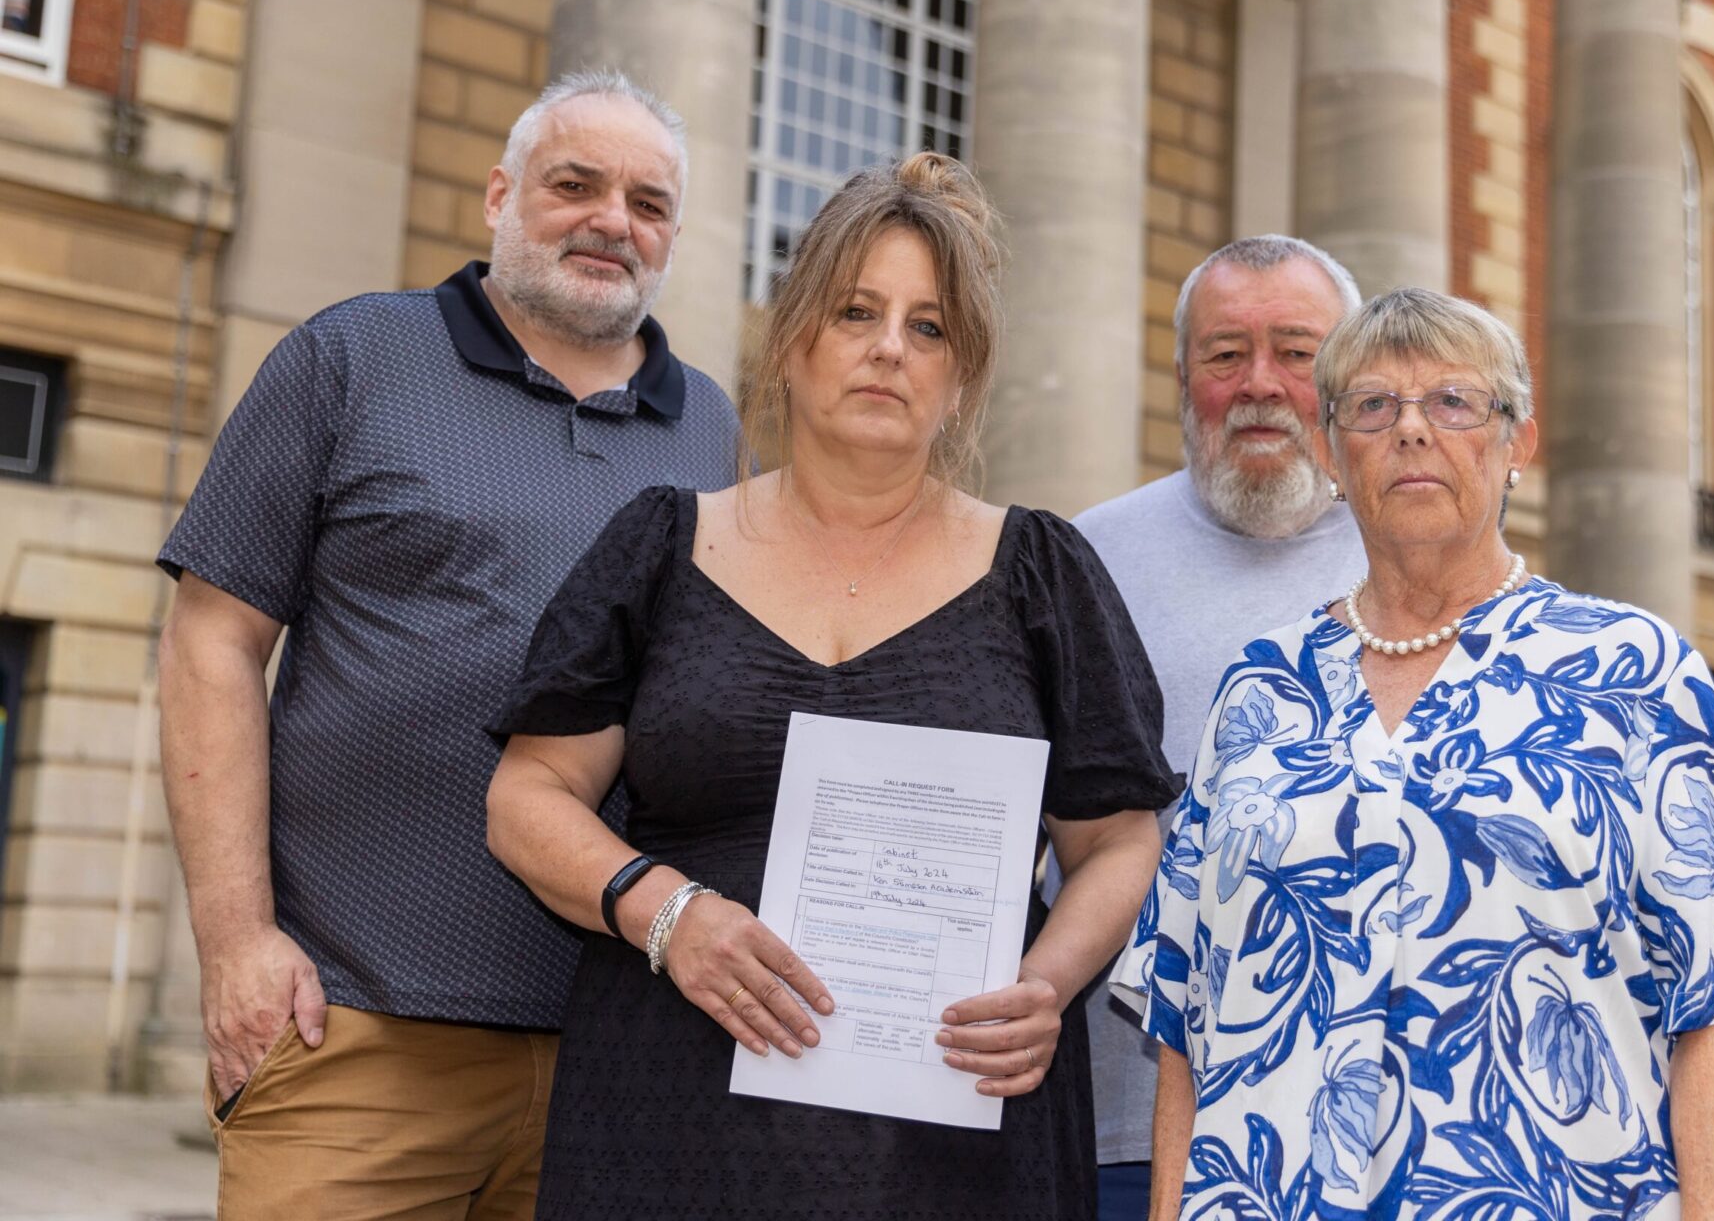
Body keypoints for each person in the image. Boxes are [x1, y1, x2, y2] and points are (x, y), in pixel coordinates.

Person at [484, 151, 1175, 1220]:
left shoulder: (1041, 573)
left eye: (929, 327)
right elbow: (528, 797)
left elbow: (1119, 838)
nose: (890, 347)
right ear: (793, 336)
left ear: (961, 378)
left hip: (955, 1135)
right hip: (672, 1116)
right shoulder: (664, 545)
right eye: (857, 311)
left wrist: (1047, 983)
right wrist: (669, 913)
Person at [155, 69, 739, 1218]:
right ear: (500, 196)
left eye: (649, 203)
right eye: (575, 185)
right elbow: (211, 642)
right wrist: (237, 941)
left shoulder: (714, 430)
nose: (612, 221)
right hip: (351, 1032)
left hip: (615, 1052)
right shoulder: (350, 358)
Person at [1113, 288, 1714, 1220]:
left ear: (1517, 444)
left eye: (1453, 401)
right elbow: (1182, 1021)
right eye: (1371, 406)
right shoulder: (1261, 688)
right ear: (1331, 454)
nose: (1411, 429)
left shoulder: (1638, 673)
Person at [1068, 235, 1369, 1217]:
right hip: (1121, 1124)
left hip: (1368, 1129)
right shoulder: (1086, 556)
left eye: (1297, 352)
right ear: (1181, 379)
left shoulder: (1421, 558)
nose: (1260, 384)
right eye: (1226, 354)